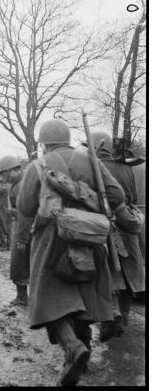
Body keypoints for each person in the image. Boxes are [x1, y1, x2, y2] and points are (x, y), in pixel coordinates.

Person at [17, 119, 125, 386]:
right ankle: (81, 359)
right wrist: (87, 206)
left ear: (44, 143)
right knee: (86, 297)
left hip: (51, 238)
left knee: (48, 297)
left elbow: (26, 207)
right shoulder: (91, 162)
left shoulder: (38, 166)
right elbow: (117, 196)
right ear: (67, 139)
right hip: (89, 237)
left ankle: (73, 348)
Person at [83, 132, 145, 342]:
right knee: (128, 275)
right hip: (127, 227)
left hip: (101, 225)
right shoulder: (127, 167)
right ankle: (124, 318)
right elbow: (133, 198)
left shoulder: (92, 167)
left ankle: (112, 315)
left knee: (107, 272)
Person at [0, 156, 31, 307]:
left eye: (3, 174)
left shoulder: (20, 186)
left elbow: (25, 213)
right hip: (27, 228)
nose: (3, 177)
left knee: (19, 264)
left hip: (24, 229)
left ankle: (22, 297)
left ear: (10, 171)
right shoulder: (21, 182)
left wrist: (22, 239)